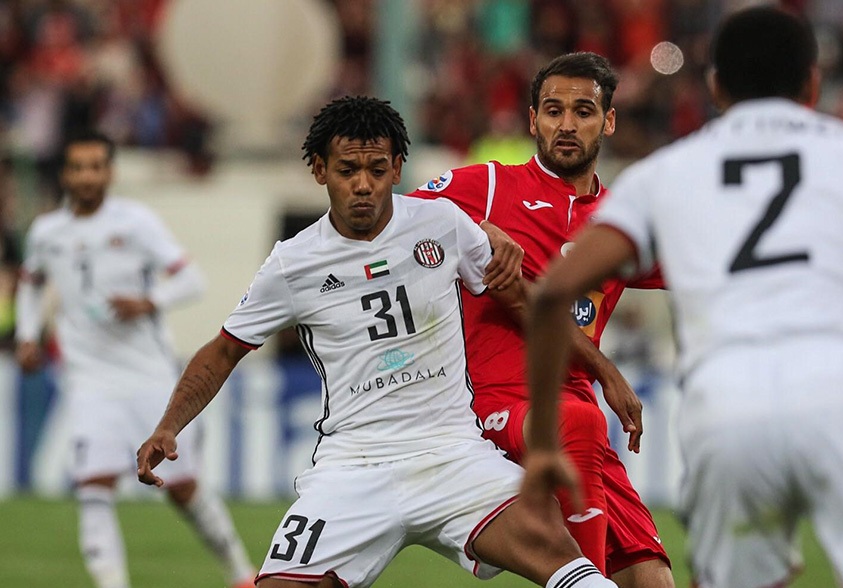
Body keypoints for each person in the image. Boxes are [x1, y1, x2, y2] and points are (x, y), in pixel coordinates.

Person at [523, 7, 843, 588]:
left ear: (717, 85)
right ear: (813, 83)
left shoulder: (665, 173)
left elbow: (551, 298)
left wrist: (546, 439)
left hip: (726, 403)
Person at [136, 96, 619, 588]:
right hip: (353, 467)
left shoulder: (444, 225)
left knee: (570, 565)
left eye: (377, 168)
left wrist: (604, 370)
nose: (363, 184)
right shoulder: (293, 263)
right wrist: (169, 425)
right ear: (320, 170)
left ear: (397, 168)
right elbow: (224, 349)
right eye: (348, 170)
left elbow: (525, 304)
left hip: (453, 455)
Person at [409, 52, 673, 588]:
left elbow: (713, 266)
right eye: (553, 111)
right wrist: (472, 226)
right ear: (533, 120)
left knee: (653, 581)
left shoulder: (623, 221)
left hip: (577, 418)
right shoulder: (485, 185)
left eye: (583, 111)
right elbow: (396, 222)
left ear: (610, 121)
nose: (567, 125)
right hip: (495, 402)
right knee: (580, 420)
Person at [14, 129, 256, 588]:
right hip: (88, 380)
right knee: (94, 485)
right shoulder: (47, 232)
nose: (87, 176)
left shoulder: (135, 222)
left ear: (109, 172)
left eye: (96, 167)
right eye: (78, 167)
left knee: (183, 488)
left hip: (148, 376)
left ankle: (241, 575)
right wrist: (28, 335)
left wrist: (149, 301)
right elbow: (31, 283)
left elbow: (192, 281)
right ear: (66, 174)